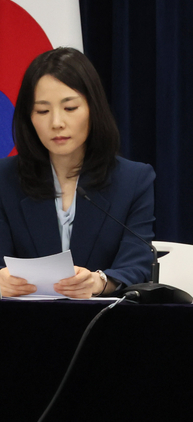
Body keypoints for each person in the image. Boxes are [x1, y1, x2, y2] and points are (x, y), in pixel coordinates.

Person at [0, 48, 155, 297]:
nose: (57, 123)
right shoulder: (4, 179)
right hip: (23, 315)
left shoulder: (133, 180)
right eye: (42, 111)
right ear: (28, 117)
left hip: (102, 317)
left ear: (93, 109)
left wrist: (99, 282)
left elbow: (137, 264)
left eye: (70, 108)